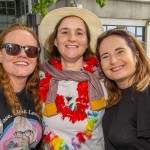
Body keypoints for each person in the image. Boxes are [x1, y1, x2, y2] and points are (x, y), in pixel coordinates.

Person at [38, 7, 107, 150]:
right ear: (56, 41)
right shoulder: (38, 78)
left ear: (87, 42)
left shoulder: (104, 79)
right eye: (65, 32)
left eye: (79, 33)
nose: (72, 38)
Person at [96, 28, 150, 150]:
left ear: (136, 56)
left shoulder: (146, 94)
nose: (113, 61)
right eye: (105, 56)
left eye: (120, 52)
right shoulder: (112, 98)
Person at [0, 23, 42, 149]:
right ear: (1, 55)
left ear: (36, 58)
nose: (23, 54)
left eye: (31, 50)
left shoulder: (39, 94)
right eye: (13, 48)